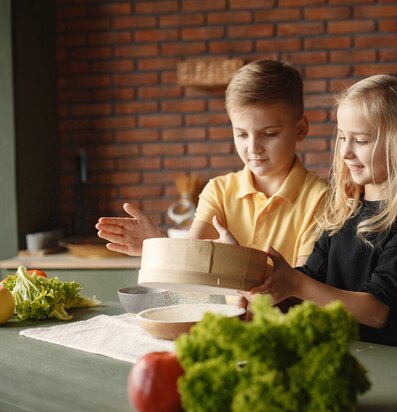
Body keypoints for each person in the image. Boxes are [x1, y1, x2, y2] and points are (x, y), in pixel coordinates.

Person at [249, 74, 397, 352]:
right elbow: (311, 287)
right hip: (349, 366)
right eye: (343, 137)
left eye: (360, 140)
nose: (345, 151)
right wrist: (255, 279)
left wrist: (295, 284)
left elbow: (378, 311)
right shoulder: (344, 211)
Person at [95, 59, 328, 269]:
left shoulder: (322, 199)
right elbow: (192, 260)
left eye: (268, 133)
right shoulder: (219, 190)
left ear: (301, 129)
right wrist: (154, 246)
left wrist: (235, 260)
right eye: (242, 134)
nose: (253, 147)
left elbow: (300, 286)